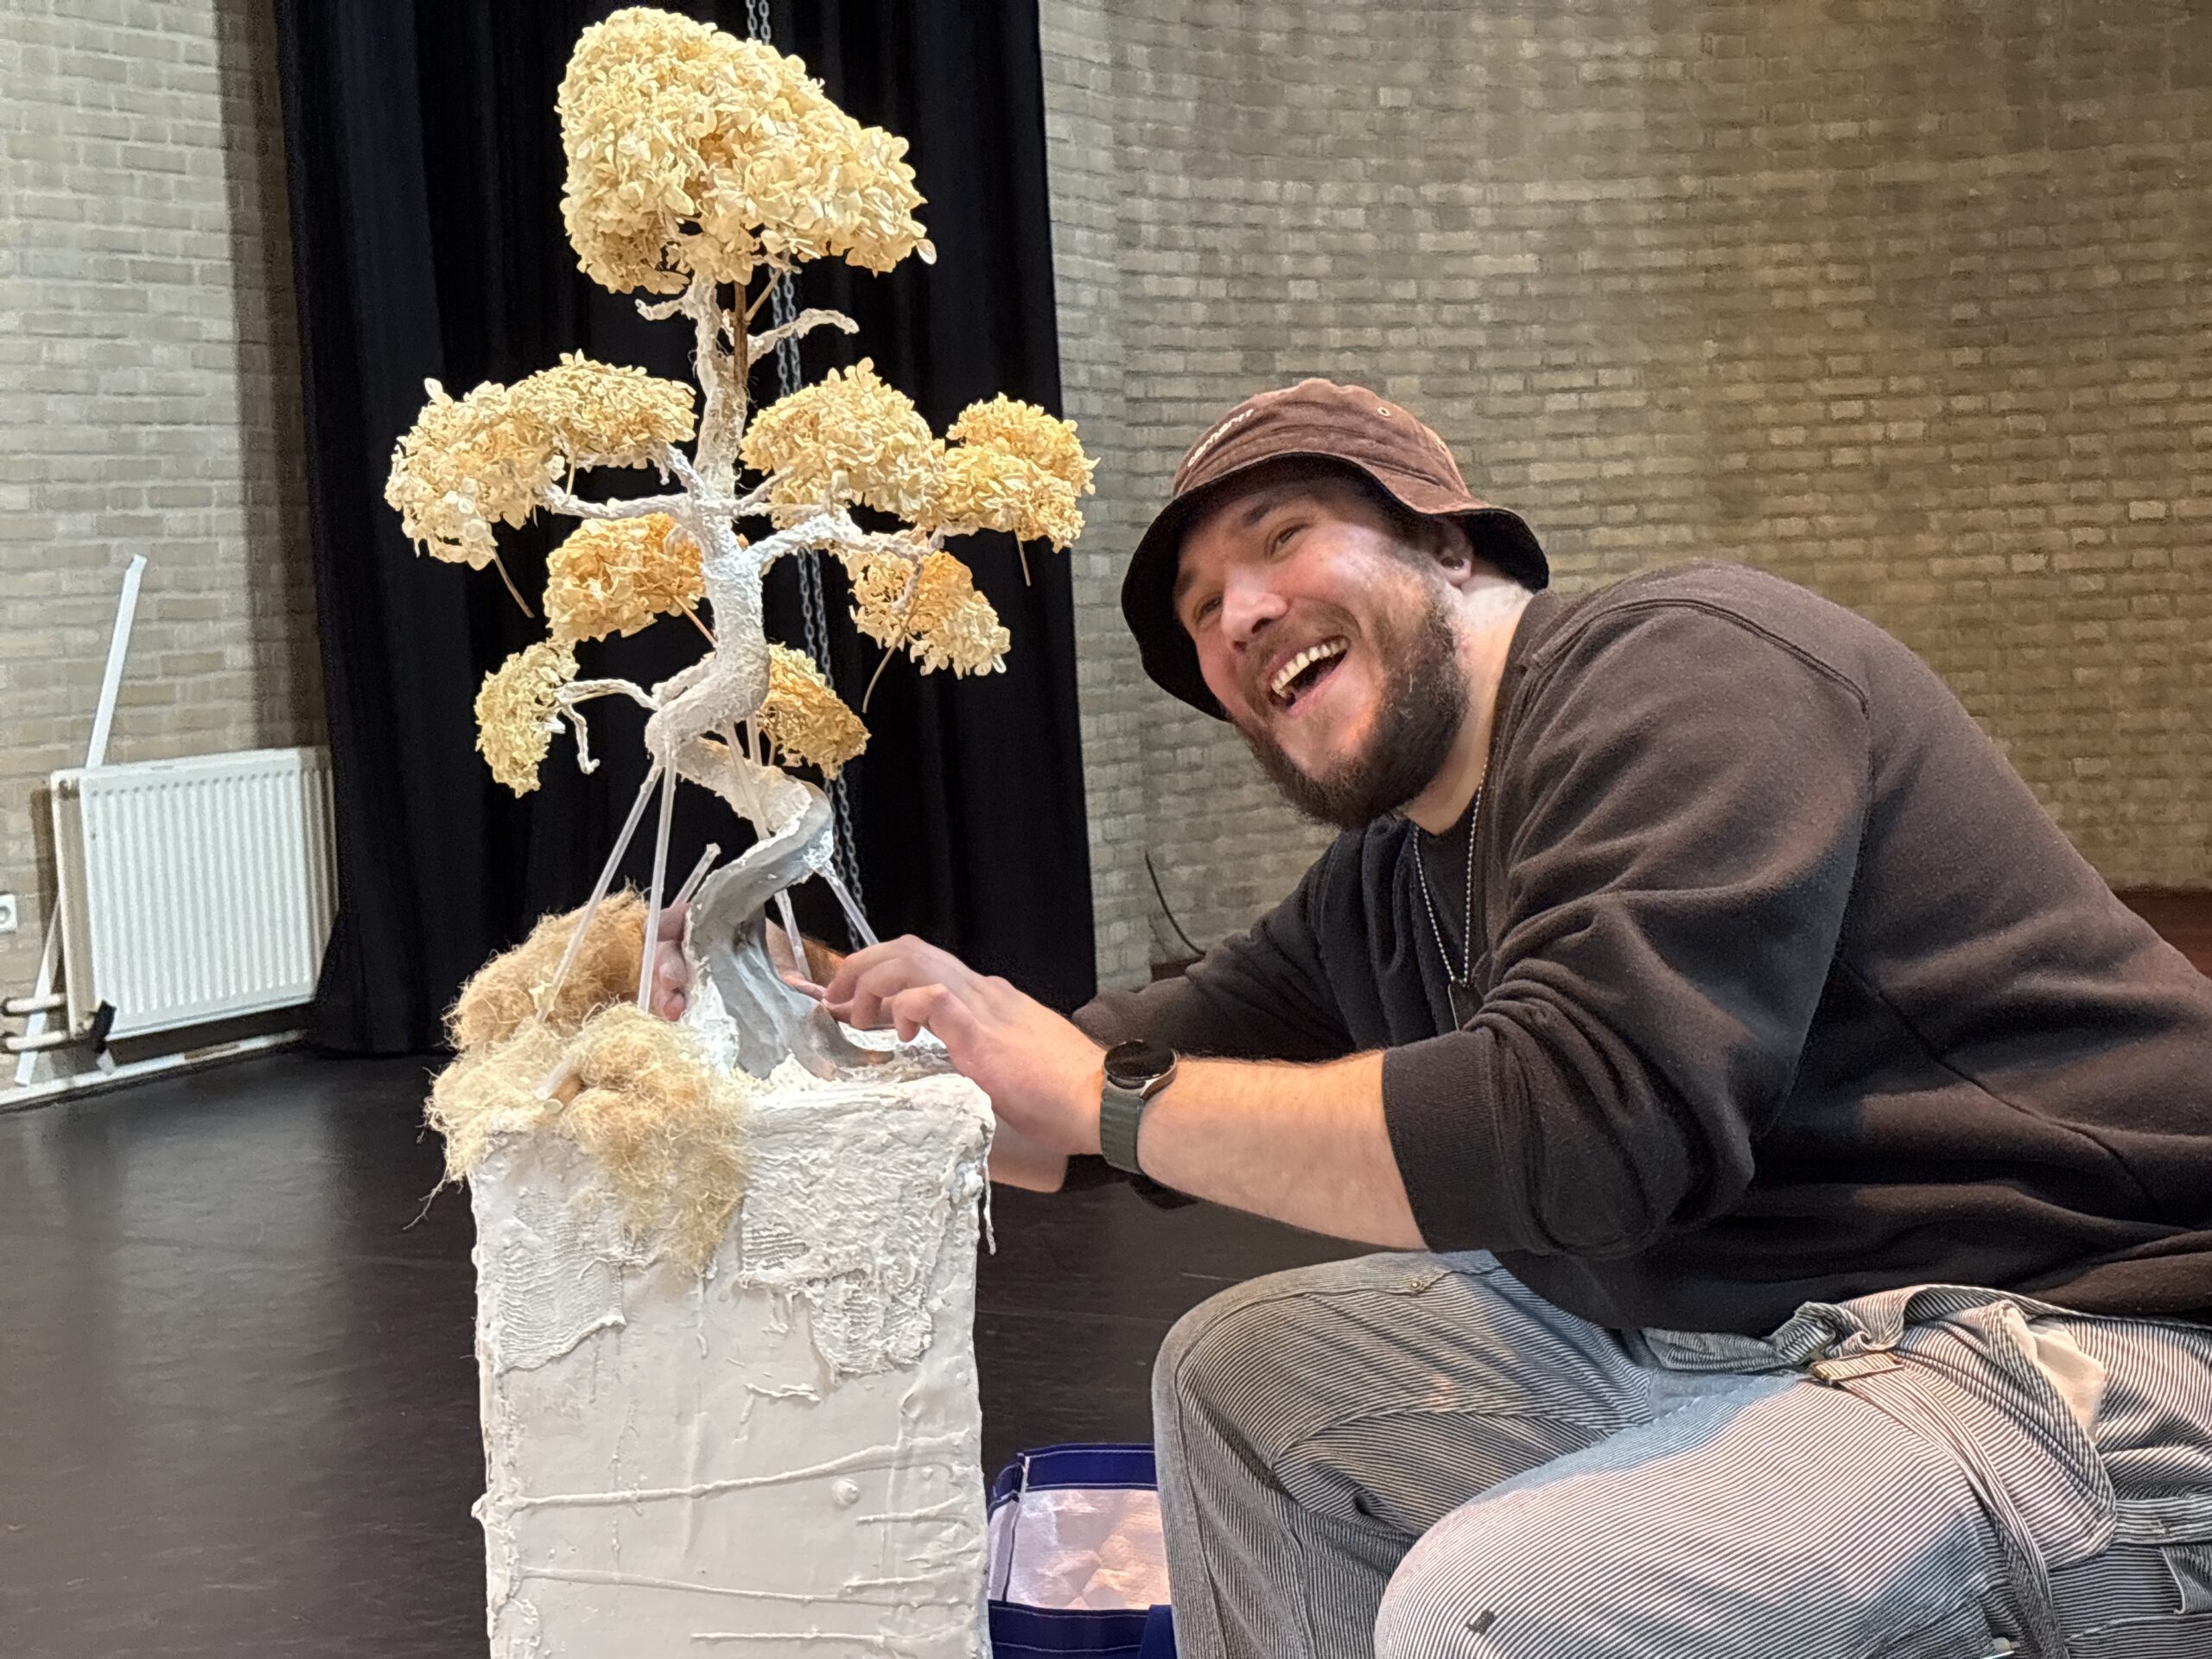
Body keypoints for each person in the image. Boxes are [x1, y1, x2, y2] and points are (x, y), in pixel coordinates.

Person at [651, 379, 2212, 1659]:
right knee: (1242, 1375)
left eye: (1284, 542)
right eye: (1201, 611)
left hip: (2071, 1344)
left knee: (1508, 1606)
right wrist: (778, 1037)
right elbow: (1078, 1093)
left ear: (1452, 547)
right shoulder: (1385, 882)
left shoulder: (1689, 671)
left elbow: (1589, 1130)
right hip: (1749, 1346)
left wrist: (1106, 1089)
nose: (1242, 615)